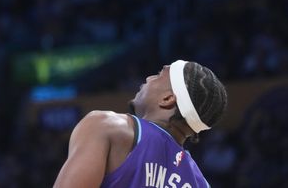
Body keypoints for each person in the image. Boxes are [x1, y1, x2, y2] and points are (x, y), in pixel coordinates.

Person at [53, 60, 228, 188]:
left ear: (167, 99)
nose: (149, 77)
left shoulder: (109, 127)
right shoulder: (200, 183)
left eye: (159, 75)